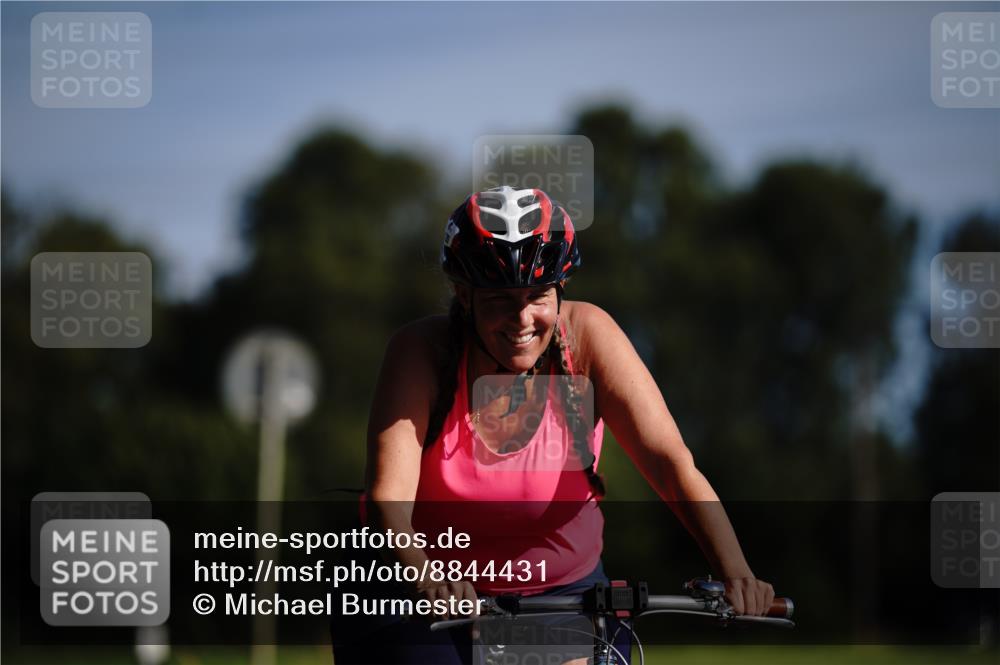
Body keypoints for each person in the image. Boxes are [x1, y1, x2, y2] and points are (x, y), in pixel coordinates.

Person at [336, 185, 774, 665]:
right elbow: (388, 502)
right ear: (465, 295)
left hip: (560, 591)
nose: (522, 318)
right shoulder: (420, 351)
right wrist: (425, 574)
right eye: (501, 299)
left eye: (538, 295)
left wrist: (735, 570)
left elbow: (671, 465)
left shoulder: (588, 337)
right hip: (420, 589)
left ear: (560, 290)